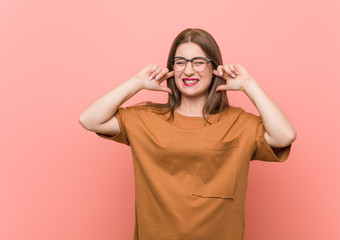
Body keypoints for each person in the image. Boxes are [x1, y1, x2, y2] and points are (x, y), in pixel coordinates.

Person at [78, 28, 296, 240]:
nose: (188, 71)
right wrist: (136, 82)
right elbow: (90, 119)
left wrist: (249, 84)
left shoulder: (239, 122)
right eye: (180, 62)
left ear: (215, 68)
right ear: (171, 68)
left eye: (199, 62)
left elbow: (284, 135)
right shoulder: (146, 118)